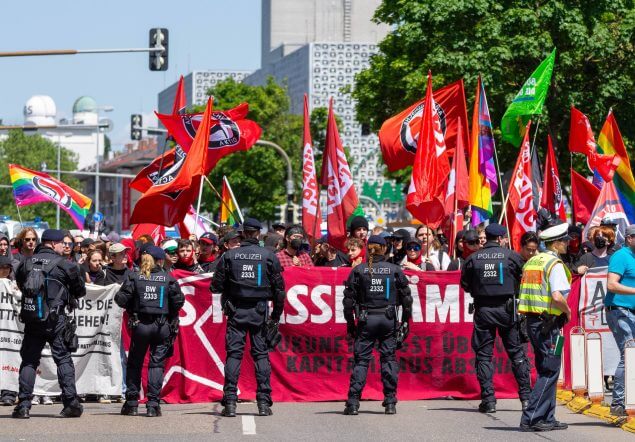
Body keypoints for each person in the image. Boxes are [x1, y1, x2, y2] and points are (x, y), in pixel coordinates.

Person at [211, 218, 286, 417]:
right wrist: (276, 317)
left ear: (243, 233)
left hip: (236, 310)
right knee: (261, 355)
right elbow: (279, 291)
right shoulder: (268, 256)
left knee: (234, 355)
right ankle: (263, 403)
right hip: (259, 311)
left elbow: (215, 286)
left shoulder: (230, 256)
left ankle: (230, 403)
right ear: (258, 234)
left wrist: (231, 288)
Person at [12, 229, 86, 419]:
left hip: (33, 318)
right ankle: (71, 404)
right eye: (62, 243)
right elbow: (80, 291)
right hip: (56, 319)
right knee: (63, 359)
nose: (65, 246)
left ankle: (23, 406)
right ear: (53, 244)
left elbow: (20, 284)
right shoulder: (65, 264)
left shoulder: (26, 262)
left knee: (29, 361)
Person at [461, 223, 530, 414]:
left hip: (483, 309)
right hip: (507, 310)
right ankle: (526, 399)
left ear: (486, 237)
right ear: (500, 238)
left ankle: (488, 400)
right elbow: (524, 279)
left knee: (484, 356)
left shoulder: (473, 258)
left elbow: (465, 284)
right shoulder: (512, 256)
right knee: (517, 354)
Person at [342, 235, 412, 415]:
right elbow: (407, 300)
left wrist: (350, 324)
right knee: (388, 359)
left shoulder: (359, 270)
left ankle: (353, 403)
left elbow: (348, 302)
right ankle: (390, 402)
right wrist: (405, 322)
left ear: (368, 249)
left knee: (361, 361)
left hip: (366, 320)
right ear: (384, 249)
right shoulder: (394, 270)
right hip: (388, 319)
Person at [115, 246, 184, 417]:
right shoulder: (168, 278)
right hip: (162, 326)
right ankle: (153, 405)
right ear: (160, 260)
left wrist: (133, 304)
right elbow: (178, 302)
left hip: (140, 326)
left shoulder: (134, 277)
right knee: (156, 364)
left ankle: (132, 403)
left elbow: (120, 299)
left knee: (135, 363)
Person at [518, 223, 572, 432]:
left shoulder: (533, 261)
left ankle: (547, 417)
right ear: (556, 244)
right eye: (564, 241)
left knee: (546, 369)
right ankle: (531, 417)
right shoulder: (554, 264)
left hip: (534, 322)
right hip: (548, 325)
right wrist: (567, 310)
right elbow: (557, 296)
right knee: (550, 370)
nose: (567, 244)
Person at [605, 225, 635, 417]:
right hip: (619, 311)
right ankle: (617, 403)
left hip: (631, 312)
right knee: (629, 352)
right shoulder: (620, 256)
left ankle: (629, 398)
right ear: (629, 238)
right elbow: (611, 284)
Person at [0, 255, 18, 406]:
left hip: (10, 331)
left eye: (8, 268)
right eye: (2, 267)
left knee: (9, 361)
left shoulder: (14, 285)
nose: (5, 270)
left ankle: (9, 393)